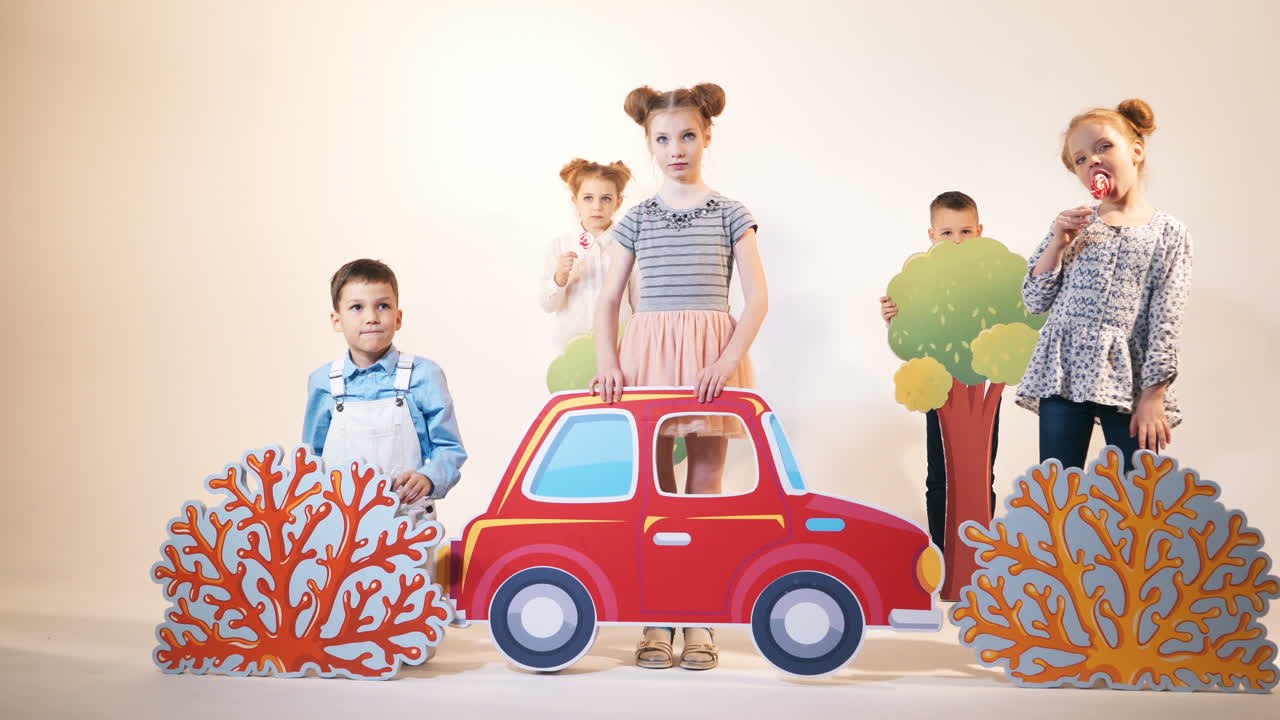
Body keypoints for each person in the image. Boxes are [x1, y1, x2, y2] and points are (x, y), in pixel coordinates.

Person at [591, 83, 768, 671]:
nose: (676, 148)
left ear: (707, 136)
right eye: (663, 138)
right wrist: (609, 362)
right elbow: (608, 299)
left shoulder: (730, 213)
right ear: (648, 142)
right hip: (650, 360)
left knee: (705, 488)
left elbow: (759, 298)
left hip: (709, 360)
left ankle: (699, 616)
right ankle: (657, 613)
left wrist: (724, 360)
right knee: (656, 489)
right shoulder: (637, 218)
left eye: (687, 135)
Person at [1017, 99, 1192, 472]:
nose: (1092, 161)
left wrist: (1153, 395)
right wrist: (1058, 243)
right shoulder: (1073, 225)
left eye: (1103, 147)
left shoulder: (1168, 233)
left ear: (1136, 150)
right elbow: (1034, 299)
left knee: (1137, 491)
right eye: (1080, 159)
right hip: (1063, 372)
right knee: (1057, 490)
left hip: (1128, 376)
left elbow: (1167, 319)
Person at [302, 259, 467, 533]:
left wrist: (428, 478)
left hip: (407, 521)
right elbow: (311, 457)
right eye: (357, 307)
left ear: (398, 317)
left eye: (383, 306)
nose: (371, 317)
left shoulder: (424, 374)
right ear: (336, 320)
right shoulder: (323, 382)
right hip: (339, 525)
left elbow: (450, 448)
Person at [880, 191, 998, 555]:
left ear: (979, 231)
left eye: (965, 231)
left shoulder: (990, 279)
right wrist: (894, 320)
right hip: (940, 387)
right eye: (947, 233)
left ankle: (979, 559)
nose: (957, 240)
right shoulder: (920, 282)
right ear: (932, 236)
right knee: (940, 475)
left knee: (981, 475)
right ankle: (943, 556)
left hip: (979, 389)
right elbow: (912, 339)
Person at [540, 158, 635, 350]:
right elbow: (548, 305)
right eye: (588, 198)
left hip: (621, 345)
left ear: (618, 202)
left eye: (606, 198)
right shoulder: (560, 246)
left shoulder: (628, 245)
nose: (597, 207)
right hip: (572, 346)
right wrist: (560, 278)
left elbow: (638, 300)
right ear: (575, 201)